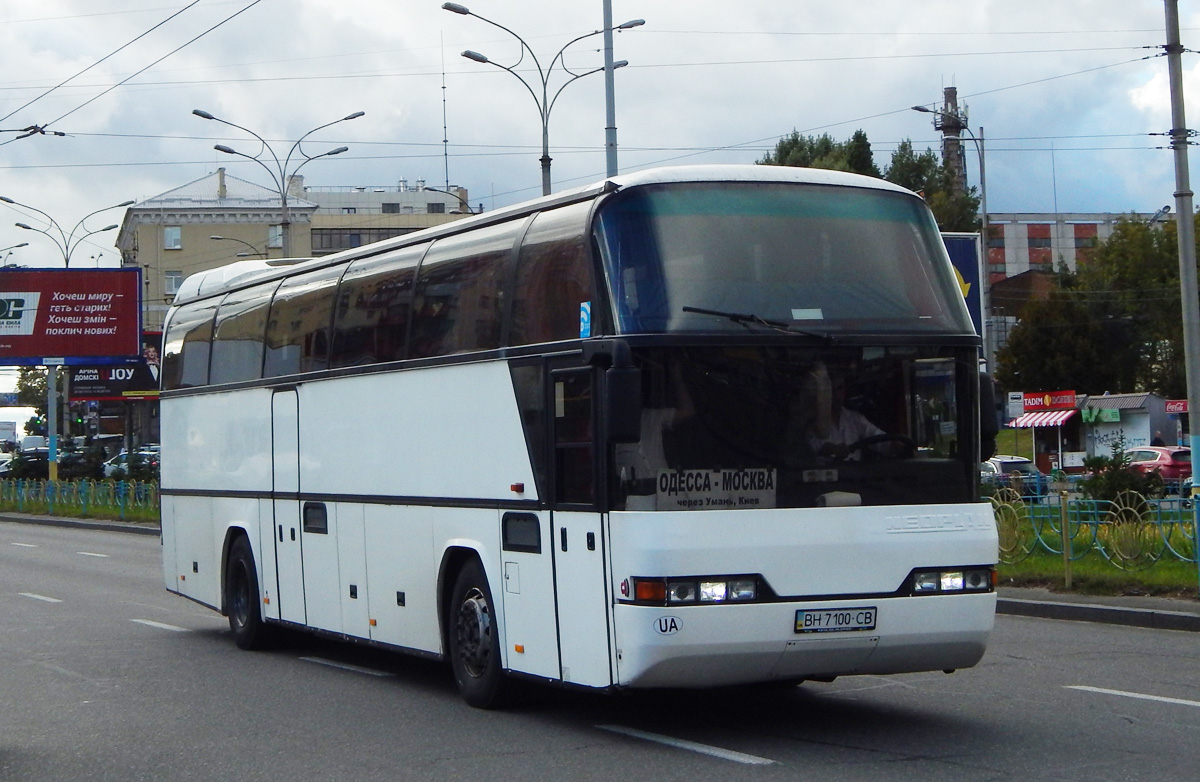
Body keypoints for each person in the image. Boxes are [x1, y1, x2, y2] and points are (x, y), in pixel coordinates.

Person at [800, 362, 888, 462]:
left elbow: (878, 438)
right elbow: (812, 445)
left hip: (854, 476)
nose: (836, 394)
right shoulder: (809, 420)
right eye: (830, 390)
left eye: (840, 388)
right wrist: (832, 449)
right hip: (822, 476)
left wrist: (895, 445)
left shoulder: (855, 419)